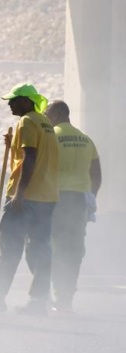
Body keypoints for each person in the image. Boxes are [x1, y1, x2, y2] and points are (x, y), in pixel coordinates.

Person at [0, 83, 60, 315]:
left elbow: (30, 157)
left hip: (26, 197)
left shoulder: (27, 121)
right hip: (46, 196)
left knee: (9, 245)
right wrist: (13, 145)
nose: (9, 103)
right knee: (40, 249)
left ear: (27, 101)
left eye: (14, 100)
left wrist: (19, 191)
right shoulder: (45, 123)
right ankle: (38, 301)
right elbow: (34, 154)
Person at [44, 100, 103, 314]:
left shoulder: (51, 137)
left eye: (47, 113)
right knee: (74, 249)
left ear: (59, 113)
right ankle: (66, 298)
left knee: (51, 247)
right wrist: (91, 198)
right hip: (78, 202)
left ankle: (47, 294)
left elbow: (41, 168)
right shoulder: (86, 140)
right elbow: (96, 174)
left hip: (55, 200)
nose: (45, 118)